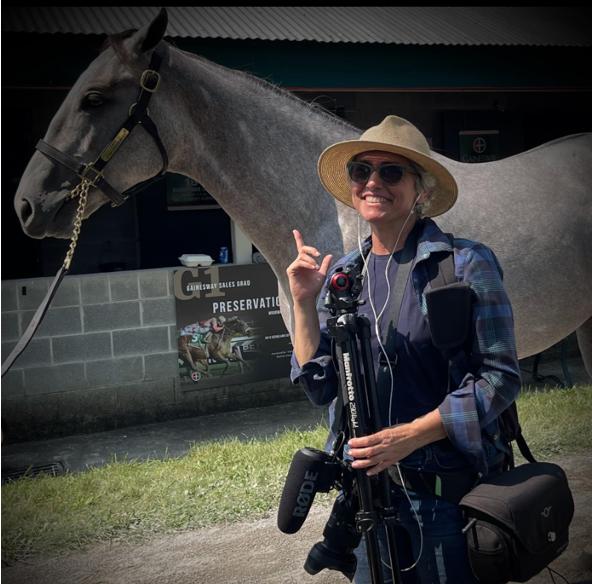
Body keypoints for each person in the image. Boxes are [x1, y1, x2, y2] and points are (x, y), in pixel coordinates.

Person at [287, 115, 521, 583]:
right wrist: (304, 305)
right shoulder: (345, 278)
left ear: (422, 190)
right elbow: (321, 385)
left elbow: (499, 377)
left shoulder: (464, 264)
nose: (373, 182)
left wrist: (410, 435)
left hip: (443, 500)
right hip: (368, 500)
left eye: (391, 172)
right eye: (361, 171)